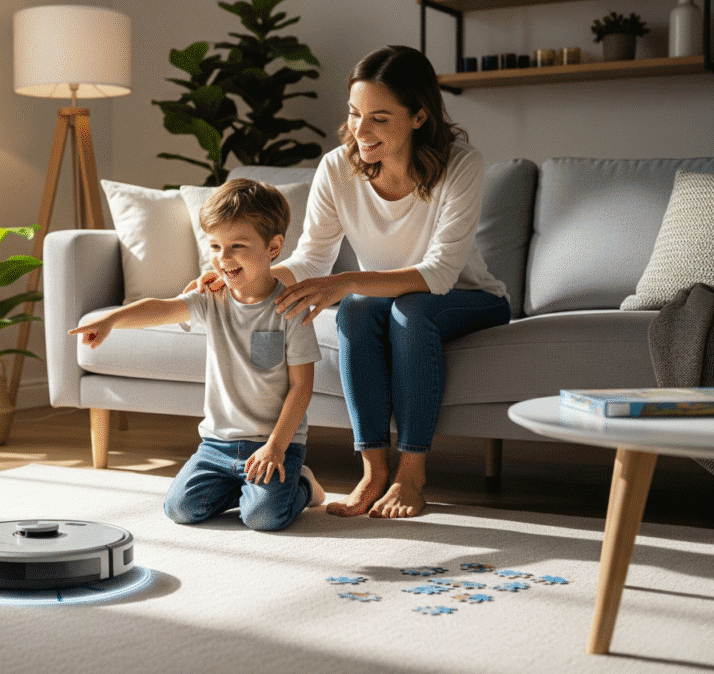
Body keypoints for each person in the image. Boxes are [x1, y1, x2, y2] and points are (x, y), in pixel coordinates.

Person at [190, 45, 511, 519]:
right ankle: (374, 470)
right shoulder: (338, 168)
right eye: (355, 114)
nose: (361, 130)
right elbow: (313, 258)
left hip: (467, 297)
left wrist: (344, 283)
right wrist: (237, 275)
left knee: (407, 308)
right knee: (358, 309)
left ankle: (412, 475)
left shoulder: (461, 164)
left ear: (419, 116)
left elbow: (439, 274)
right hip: (384, 299)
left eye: (380, 118)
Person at [70, 179, 325, 531]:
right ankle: (245, 487)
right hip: (217, 445)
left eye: (237, 245)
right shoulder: (212, 298)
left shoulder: (290, 310)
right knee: (180, 508)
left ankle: (304, 484)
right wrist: (112, 319)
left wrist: (276, 448)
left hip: (273, 444)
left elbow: (301, 389)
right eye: (216, 246)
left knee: (263, 518)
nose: (224, 258)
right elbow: (163, 308)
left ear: (274, 247)